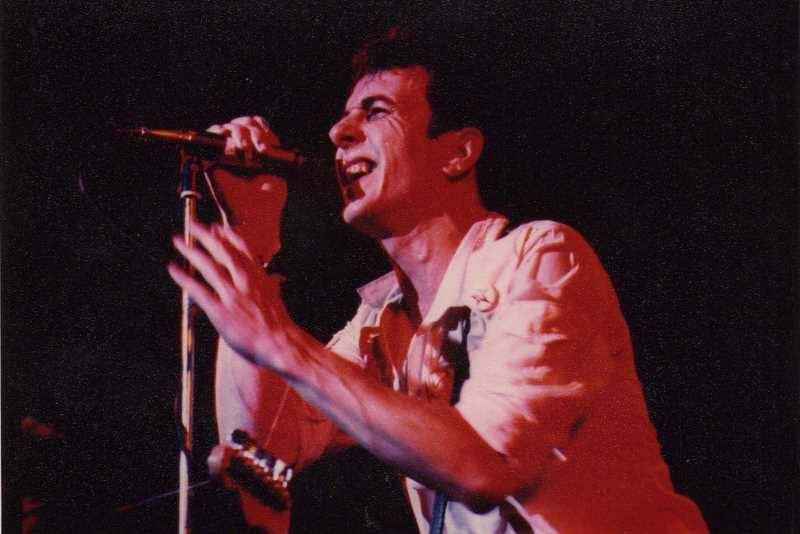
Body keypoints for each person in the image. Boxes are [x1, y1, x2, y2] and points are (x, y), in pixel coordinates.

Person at [168, 30, 708, 533]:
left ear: (457, 153)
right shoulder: (381, 323)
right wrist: (251, 236)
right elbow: (264, 450)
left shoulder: (540, 257)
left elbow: (485, 465)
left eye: (376, 111)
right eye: (343, 117)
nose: (338, 133)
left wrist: (281, 342)